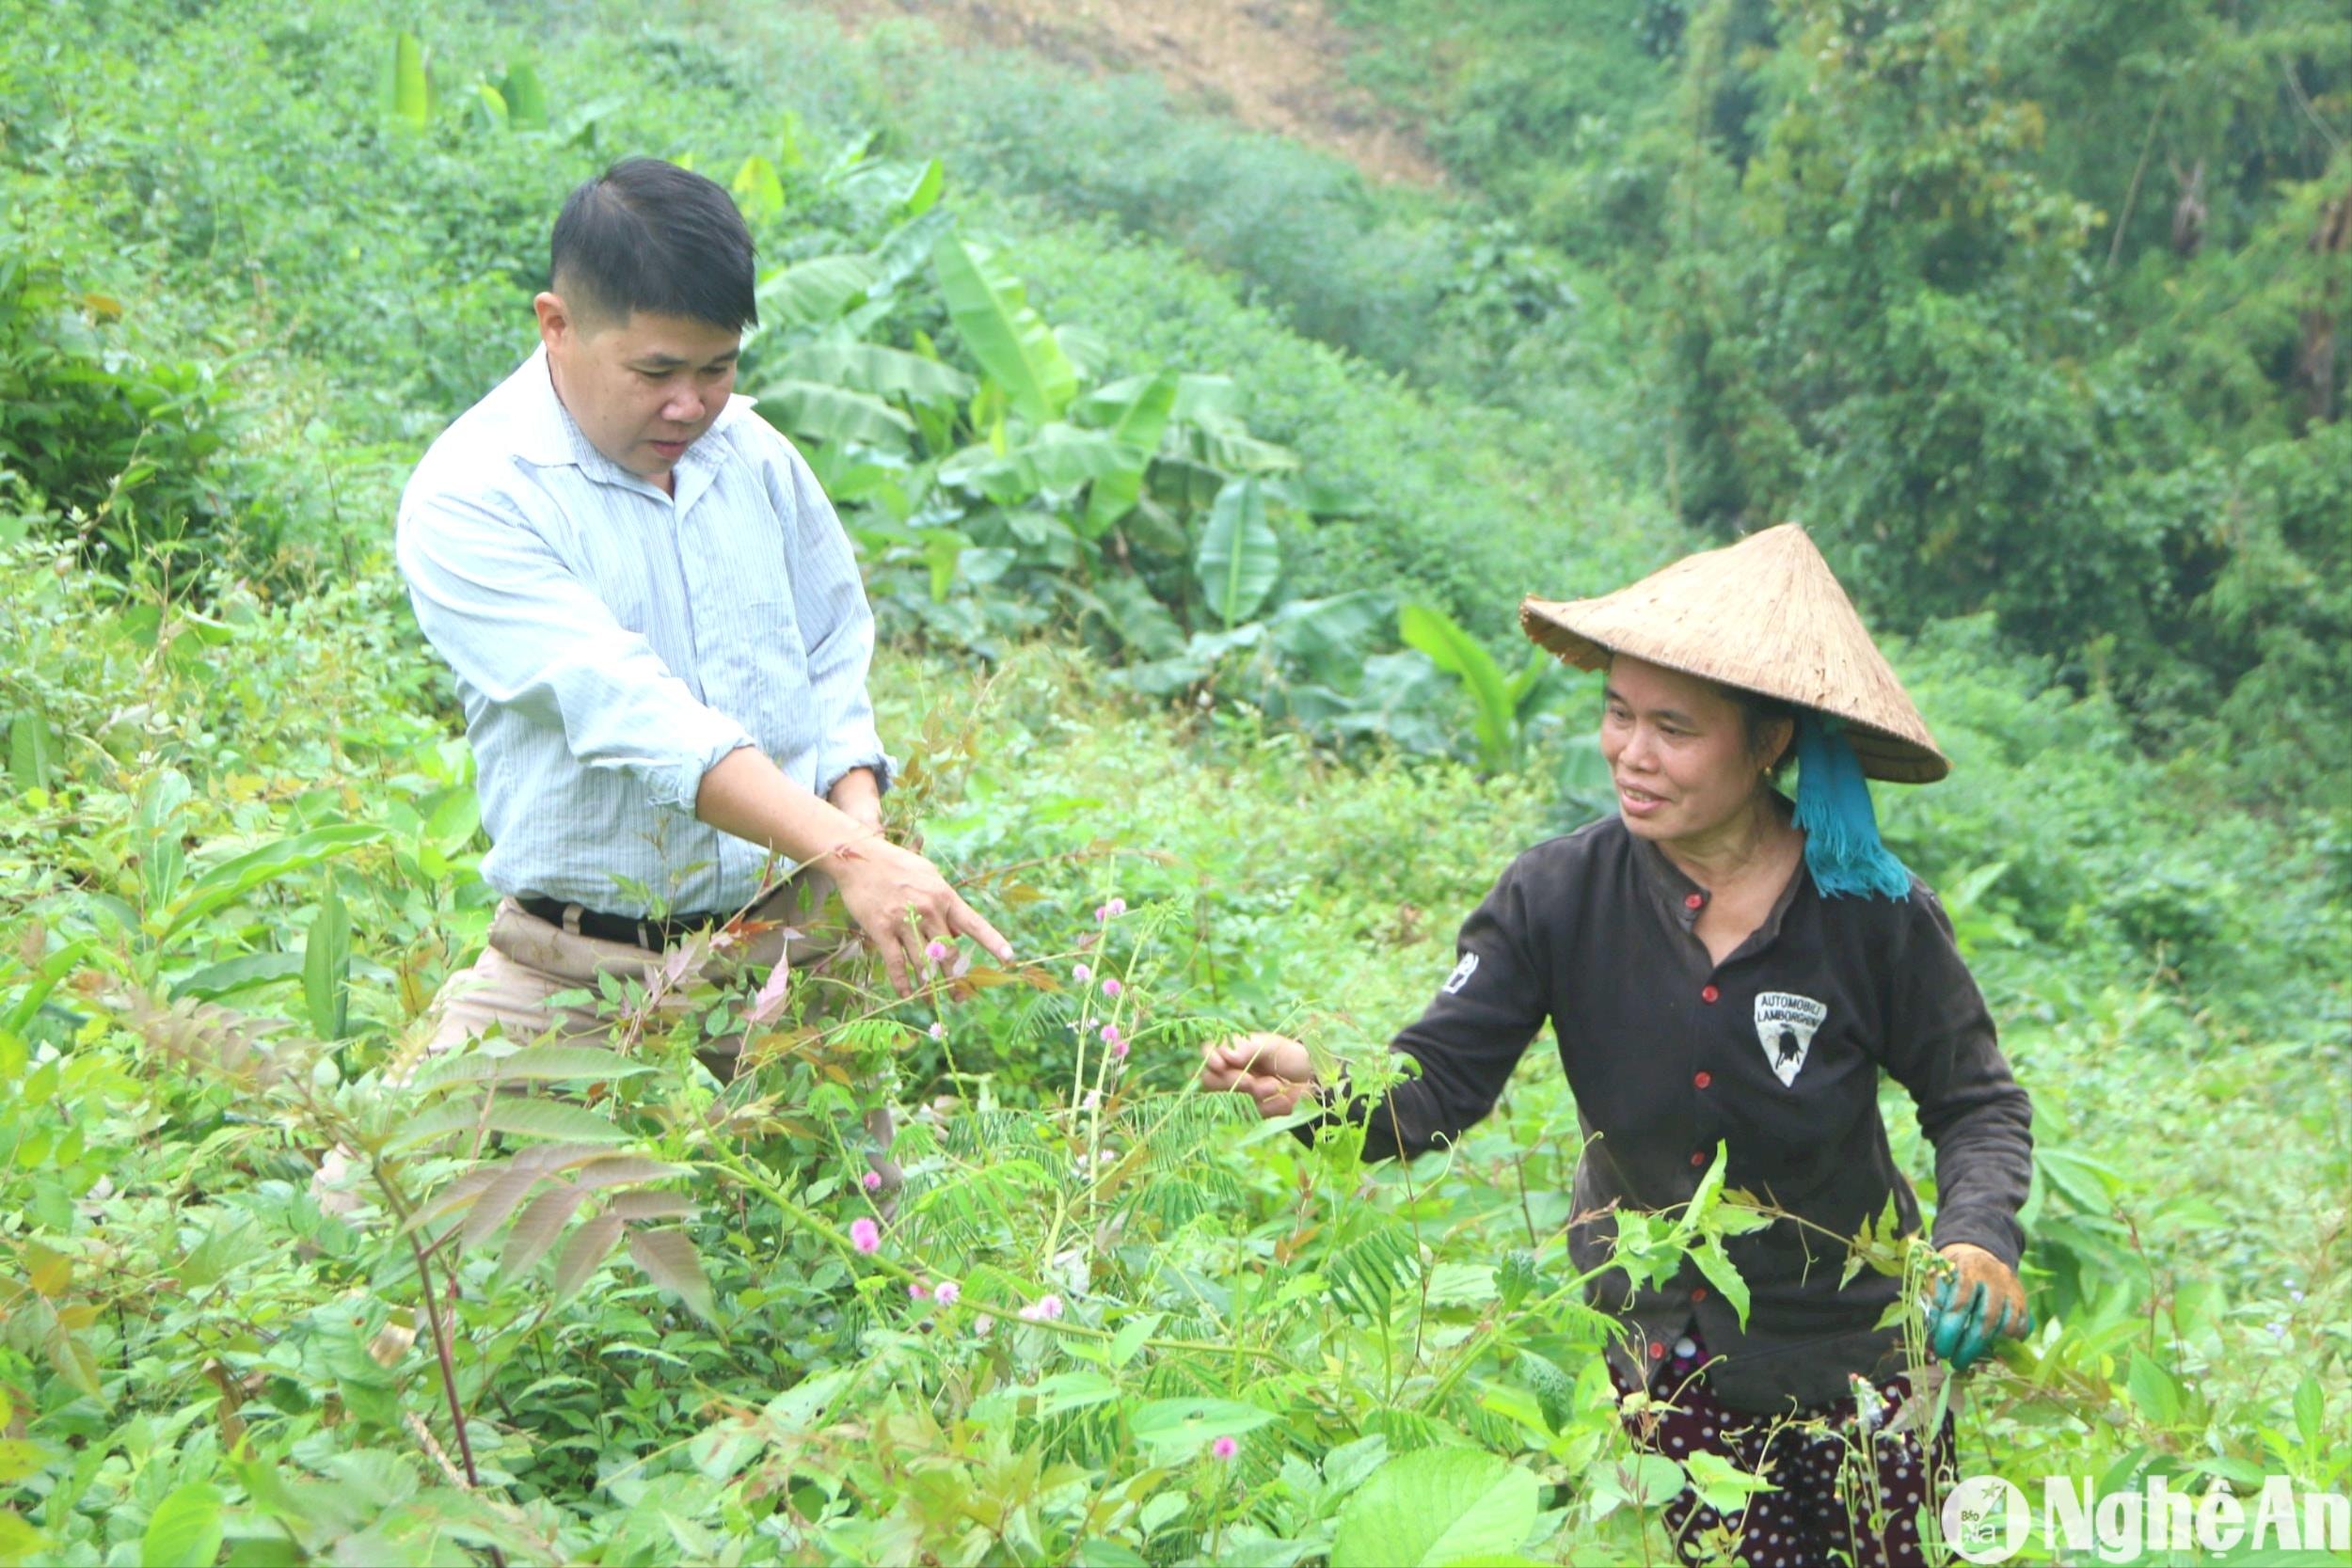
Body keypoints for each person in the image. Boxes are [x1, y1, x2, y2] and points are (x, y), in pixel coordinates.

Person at [1201, 525, 2033, 1568]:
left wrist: (1979, 1235)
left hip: (1859, 1354)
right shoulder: (1556, 895)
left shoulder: (1873, 913)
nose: (1630, 753)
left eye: (1674, 728)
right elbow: (1438, 1086)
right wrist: (1321, 1092)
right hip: (1661, 1349)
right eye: (1617, 713)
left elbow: (1976, 1103)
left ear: (1769, 741)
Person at [396, 157, 1009, 1102]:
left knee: (845, 1220)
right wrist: (851, 855)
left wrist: (858, 822)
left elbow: (832, 646)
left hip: (783, 935)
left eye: (717, 368)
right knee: (393, 1216)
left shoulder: (756, 457)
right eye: (656, 372)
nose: (691, 404)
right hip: (575, 960)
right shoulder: (477, 491)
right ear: (555, 324)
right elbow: (628, 706)